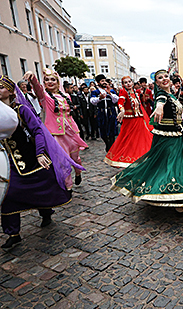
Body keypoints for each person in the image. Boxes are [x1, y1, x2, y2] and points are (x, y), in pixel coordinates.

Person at [111, 69, 183, 210]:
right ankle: (174, 196)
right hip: (167, 137)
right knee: (171, 164)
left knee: (180, 163)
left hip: (177, 134)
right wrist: (158, 107)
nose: (164, 79)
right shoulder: (161, 94)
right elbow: (160, 101)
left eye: (166, 76)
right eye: (160, 77)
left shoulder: (172, 94)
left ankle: (180, 193)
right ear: (156, 82)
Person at [0, 75, 83, 249]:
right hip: (7, 162)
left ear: (9, 90)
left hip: (29, 158)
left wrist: (39, 153)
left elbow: (37, 130)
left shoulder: (21, 109)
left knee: (42, 187)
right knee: (8, 194)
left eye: (1, 87)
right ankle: (13, 233)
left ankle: (46, 212)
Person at [23, 69, 87, 187]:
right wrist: (33, 78)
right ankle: (68, 185)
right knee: (63, 160)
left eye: (53, 79)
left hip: (72, 132)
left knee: (75, 157)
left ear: (58, 82)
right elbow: (38, 89)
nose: (50, 82)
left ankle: (78, 173)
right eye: (47, 80)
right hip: (56, 133)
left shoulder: (66, 95)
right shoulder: (45, 97)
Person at [104, 76, 153, 168]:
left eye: (129, 81)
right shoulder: (124, 92)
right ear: (123, 85)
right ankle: (127, 157)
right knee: (128, 139)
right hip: (130, 120)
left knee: (141, 139)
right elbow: (120, 102)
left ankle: (141, 155)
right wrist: (122, 110)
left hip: (139, 119)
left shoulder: (136, 93)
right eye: (126, 82)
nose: (128, 84)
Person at [90, 74, 119, 152]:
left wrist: (110, 93)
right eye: (102, 81)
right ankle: (107, 144)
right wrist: (99, 98)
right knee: (103, 130)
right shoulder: (95, 92)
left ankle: (112, 148)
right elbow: (92, 101)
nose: (104, 82)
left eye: (105, 80)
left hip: (111, 111)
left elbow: (116, 100)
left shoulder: (111, 90)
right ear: (98, 82)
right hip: (102, 112)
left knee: (112, 129)